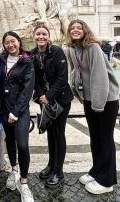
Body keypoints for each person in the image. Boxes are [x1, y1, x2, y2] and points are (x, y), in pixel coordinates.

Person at [65, 19, 119, 195]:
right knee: (95, 138)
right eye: (72, 28)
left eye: (79, 27)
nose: (75, 30)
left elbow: (99, 77)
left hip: (106, 100)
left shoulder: (93, 48)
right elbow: (74, 72)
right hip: (90, 99)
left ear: (85, 31)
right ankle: (97, 171)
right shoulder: (72, 49)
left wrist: (98, 104)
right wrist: (78, 94)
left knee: (105, 139)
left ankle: (107, 181)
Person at [30, 25, 73, 187]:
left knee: (58, 133)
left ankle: (59, 172)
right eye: (38, 34)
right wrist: (41, 95)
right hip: (44, 100)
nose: (41, 37)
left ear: (49, 37)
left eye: (44, 34)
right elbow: (34, 78)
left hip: (61, 100)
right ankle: (50, 165)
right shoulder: (31, 54)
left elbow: (63, 78)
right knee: (50, 132)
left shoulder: (57, 51)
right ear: (34, 36)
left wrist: (48, 96)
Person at [0, 31, 35, 202]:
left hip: (20, 110)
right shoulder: (0, 59)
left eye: (13, 41)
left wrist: (16, 112)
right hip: (4, 108)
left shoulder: (27, 61)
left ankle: (24, 182)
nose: (10, 45)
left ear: (19, 42)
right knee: (9, 141)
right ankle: (14, 170)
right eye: (7, 42)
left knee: (22, 144)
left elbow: (28, 89)